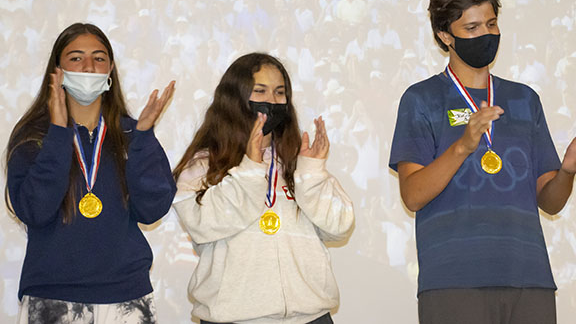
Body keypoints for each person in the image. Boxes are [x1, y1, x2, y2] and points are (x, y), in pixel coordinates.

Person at [388, 0, 576, 324]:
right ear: (445, 36)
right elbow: (412, 195)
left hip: (528, 278)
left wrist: (567, 172)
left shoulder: (524, 99)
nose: (485, 34)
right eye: (471, 27)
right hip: (453, 281)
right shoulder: (421, 99)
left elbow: (550, 201)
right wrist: (463, 146)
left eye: (491, 24)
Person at [4, 23, 176, 323]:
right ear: (56, 71)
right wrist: (58, 134)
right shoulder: (33, 138)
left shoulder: (133, 133)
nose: (88, 66)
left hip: (127, 297)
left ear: (110, 70)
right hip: (52, 298)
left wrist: (145, 138)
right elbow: (34, 210)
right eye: (76, 58)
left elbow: (151, 210)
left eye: (99, 58)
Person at [173, 53, 354, 324]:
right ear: (236, 98)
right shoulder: (202, 165)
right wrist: (250, 167)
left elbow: (339, 227)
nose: (271, 101)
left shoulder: (299, 163)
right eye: (260, 91)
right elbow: (204, 225)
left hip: (309, 317)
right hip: (233, 318)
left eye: (280, 92)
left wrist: (312, 174)